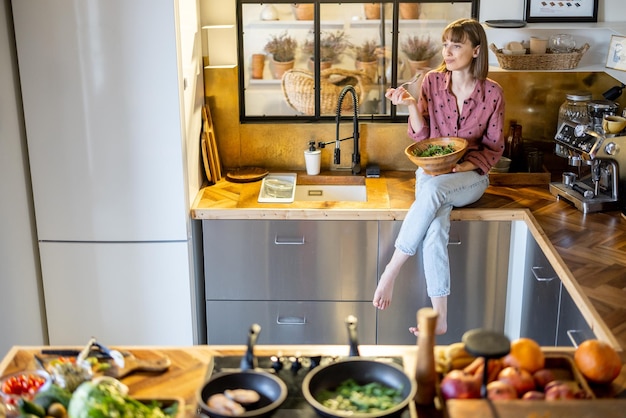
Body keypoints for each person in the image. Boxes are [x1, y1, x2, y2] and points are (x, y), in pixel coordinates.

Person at [372, 18, 505, 336]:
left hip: (469, 178)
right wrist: (411, 106)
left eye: (456, 45)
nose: (447, 51)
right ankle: (441, 318)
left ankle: (392, 269)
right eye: (445, 44)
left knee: (432, 195)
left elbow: (494, 147)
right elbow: (423, 138)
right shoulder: (432, 82)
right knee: (435, 229)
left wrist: (465, 167)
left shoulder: (493, 93)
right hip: (431, 173)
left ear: (475, 51)